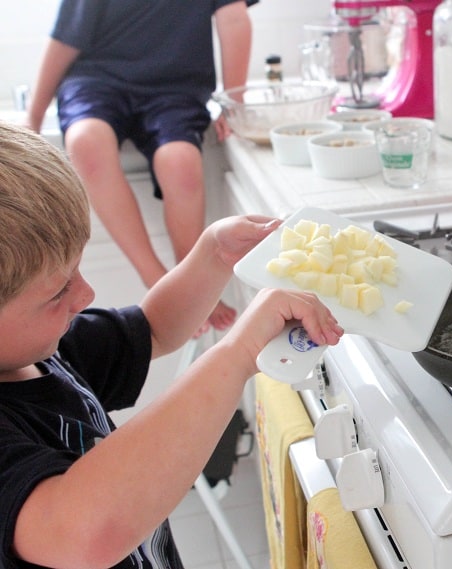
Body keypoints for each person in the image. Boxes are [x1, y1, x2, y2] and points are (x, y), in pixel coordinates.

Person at [0, 121, 344, 569]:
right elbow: (82, 535)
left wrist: (213, 254)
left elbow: (154, 329)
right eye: (57, 291)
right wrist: (236, 354)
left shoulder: (43, 351)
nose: (85, 296)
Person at [25, 0, 255, 334]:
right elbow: (65, 38)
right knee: (86, 142)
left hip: (175, 86)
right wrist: (33, 117)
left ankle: (191, 280)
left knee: (180, 160)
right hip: (96, 79)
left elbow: (234, 19)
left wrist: (234, 100)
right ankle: (157, 278)